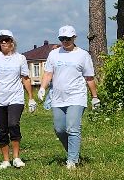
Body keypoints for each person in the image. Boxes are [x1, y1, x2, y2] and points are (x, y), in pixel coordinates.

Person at [40, 24, 98, 168]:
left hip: (76, 96)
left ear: (74, 38)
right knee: (59, 129)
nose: (65, 41)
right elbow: (48, 73)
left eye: (68, 38)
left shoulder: (83, 55)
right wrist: (42, 88)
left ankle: (72, 160)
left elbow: (89, 77)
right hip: (58, 97)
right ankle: (73, 152)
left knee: (72, 128)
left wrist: (95, 97)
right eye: (62, 39)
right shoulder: (54, 54)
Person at [0, 28, 35, 169]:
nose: (4, 43)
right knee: (1, 129)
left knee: (13, 124)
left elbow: (25, 78)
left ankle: (16, 157)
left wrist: (31, 97)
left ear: (12, 42)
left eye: (7, 40)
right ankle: (6, 159)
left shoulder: (20, 58)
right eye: (1, 41)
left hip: (15, 97)